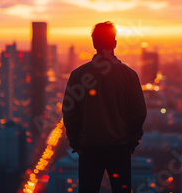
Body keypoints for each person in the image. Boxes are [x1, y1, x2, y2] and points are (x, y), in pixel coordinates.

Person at [62, 21, 147, 193]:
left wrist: (76, 141)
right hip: (119, 148)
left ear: (94, 44)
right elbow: (139, 113)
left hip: (89, 148)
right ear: (114, 43)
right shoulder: (129, 75)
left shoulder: (78, 75)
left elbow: (70, 113)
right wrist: (131, 140)